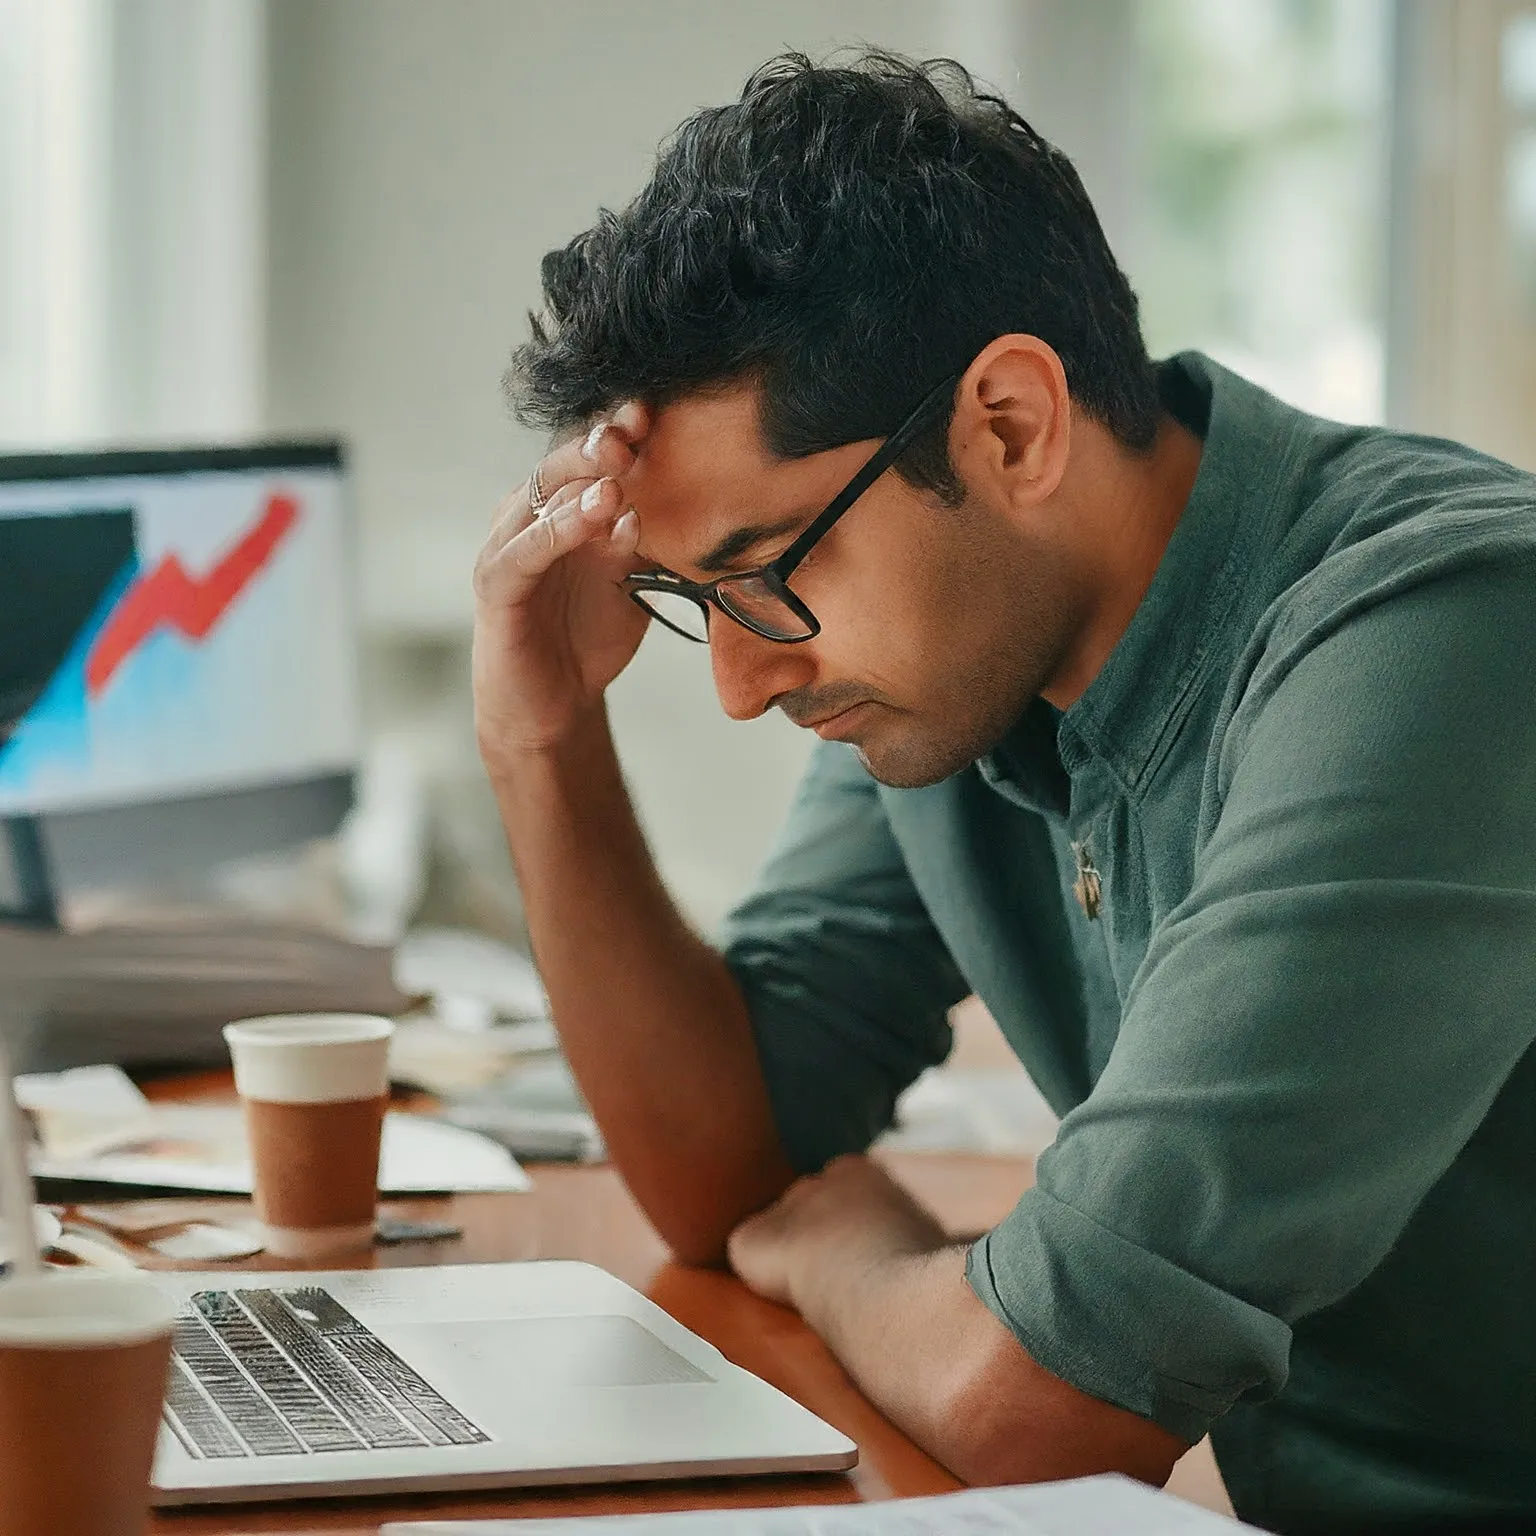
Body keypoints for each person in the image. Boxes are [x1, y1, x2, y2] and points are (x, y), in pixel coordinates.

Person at [473, 50, 1536, 1536]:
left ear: (1012, 426)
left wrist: (856, 1246)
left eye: (767, 579)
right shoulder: (968, 673)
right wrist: (542, 739)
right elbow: (733, 1167)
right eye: (683, 597)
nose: (738, 680)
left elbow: (1037, 1400)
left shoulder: (1445, 633)